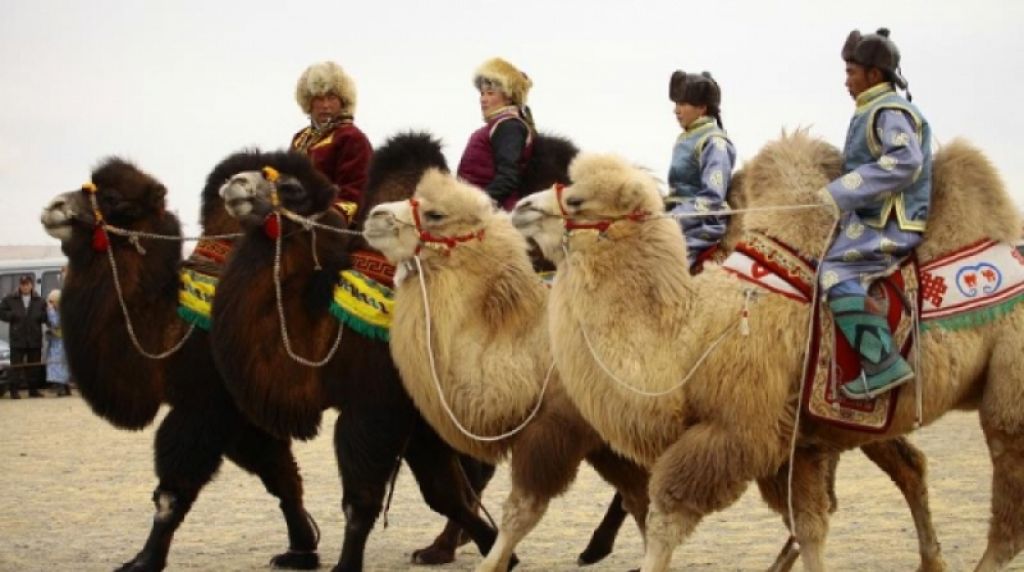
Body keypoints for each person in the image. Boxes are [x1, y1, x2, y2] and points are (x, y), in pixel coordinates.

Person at [818, 28, 931, 400]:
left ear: (874, 75)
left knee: (834, 271)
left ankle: (883, 362)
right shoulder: (872, 109)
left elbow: (906, 160)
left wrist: (843, 190)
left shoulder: (889, 110)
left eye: (852, 72)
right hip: (870, 218)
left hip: (890, 222)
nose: (846, 81)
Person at [665, 70, 737, 271]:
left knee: (661, 270)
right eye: (676, 104)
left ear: (702, 108)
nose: (676, 110)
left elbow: (711, 199)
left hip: (700, 226)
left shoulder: (715, 142)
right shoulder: (688, 138)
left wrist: (670, 219)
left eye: (682, 104)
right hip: (676, 218)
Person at [291, 60, 373, 219]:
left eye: (331, 98)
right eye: (319, 99)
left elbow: (355, 193)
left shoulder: (352, 137)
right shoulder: (299, 139)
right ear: (308, 102)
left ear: (343, 101)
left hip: (330, 223)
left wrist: (324, 217)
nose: (325, 105)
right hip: (293, 217)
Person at [456, 57, 536, 211]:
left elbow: (508, 177)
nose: (483, 99)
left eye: (490, 93)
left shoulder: (509, 126)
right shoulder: (498, 125)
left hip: (494, 215)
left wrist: (478, 205)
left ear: (508, 97)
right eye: (482, 94)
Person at [0, 275, 49, 398]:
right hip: (18, 338)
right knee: (16, 366)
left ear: (31, 285)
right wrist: (12, 316)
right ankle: (14, 391)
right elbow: (1, 312)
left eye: (27, 284)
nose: (25, 286)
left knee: (34, 366)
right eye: (22, 284)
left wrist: (42, 317)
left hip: (34, 338)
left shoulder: (40, 300)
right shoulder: (10, 299)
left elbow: (46, 316)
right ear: (19, 285)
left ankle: (33, 390)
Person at [44, 289, 70, 396]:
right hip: (57, 340)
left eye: (51, 301)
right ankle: (64, 386)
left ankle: (61, 387)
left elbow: (55, 323)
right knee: (60, 364)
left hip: (60, 342)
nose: (50, 303)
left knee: (58, 363)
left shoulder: (59, 311)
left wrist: (50, 311)